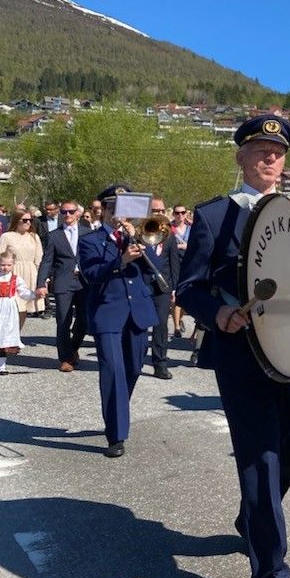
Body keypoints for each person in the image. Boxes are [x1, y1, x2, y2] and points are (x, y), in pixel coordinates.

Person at [176, 114, 290, 578]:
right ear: (241, 157)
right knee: (260, 460)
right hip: (243, 356)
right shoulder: (215, 215)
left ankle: (255, 514)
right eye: (259, 150)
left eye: (277, 152)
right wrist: (217, 314)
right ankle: (270, 573)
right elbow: (190, 287)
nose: (270, 158)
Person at [79, 185, 159, 458]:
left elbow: (157, 270)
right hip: (107, 311)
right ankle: (116, 434)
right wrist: (121, 260)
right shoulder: (90, 240)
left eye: (123, 210)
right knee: (113, 370)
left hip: (137, 310)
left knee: (134, 368)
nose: (117, 215)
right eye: (113, 209)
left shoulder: (138, 237)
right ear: (104, 211)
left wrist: (141, 242)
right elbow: (91, 274)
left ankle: (117, 411)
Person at [36, 200, 91, 371]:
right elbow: (46, 262)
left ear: (78, 213)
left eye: (71, 211)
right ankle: (65, 358)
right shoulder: (54, 235)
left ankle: (73, 348)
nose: (67, 215)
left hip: (84, 282)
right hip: (63, 281)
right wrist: (41, 283)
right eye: (64, 212)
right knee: (63, 320)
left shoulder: (88, 233)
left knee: (84, 321)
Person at [0, 210, 45, 332]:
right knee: (12, 307)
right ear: (16, 220)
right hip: (12, 274)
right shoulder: (7, 236)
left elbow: (39, 259)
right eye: (24, 220)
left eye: (30, 220)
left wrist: (42, 279)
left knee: (23, 308)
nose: (28, 222)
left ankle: (16, 336)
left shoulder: (34, 237)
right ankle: (4, 335)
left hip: (30, 274)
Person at [0, 249, 38, 374]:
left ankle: (1, 365)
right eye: (3, 265)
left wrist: (35, 295)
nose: (5, 267)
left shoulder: (16, 279)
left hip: (9, 309)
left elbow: (24, 292)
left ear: (13, 265)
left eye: (9, 265)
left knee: (5, 335)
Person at [144, 197, 181, 379]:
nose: (158, 214)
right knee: (140, 324)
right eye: (154, 210)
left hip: (163, 286)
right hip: (143, 285)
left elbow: (174, 263)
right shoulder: (139, 232)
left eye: (161, 211)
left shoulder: (170, 235)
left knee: (161, 325)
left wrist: (174, 288)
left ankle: (160, 363)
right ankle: (136, 358)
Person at [170, 203, 191, 338]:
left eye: (182, 212)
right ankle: (177, 327)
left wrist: (187, 246)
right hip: (175, 263)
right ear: (173, 214)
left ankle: (180, 319)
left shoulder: (192, 228)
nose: (180, 215)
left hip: (189, 264)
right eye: (177, 213)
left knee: (186, 297)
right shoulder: (169, 228)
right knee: (176, 297)